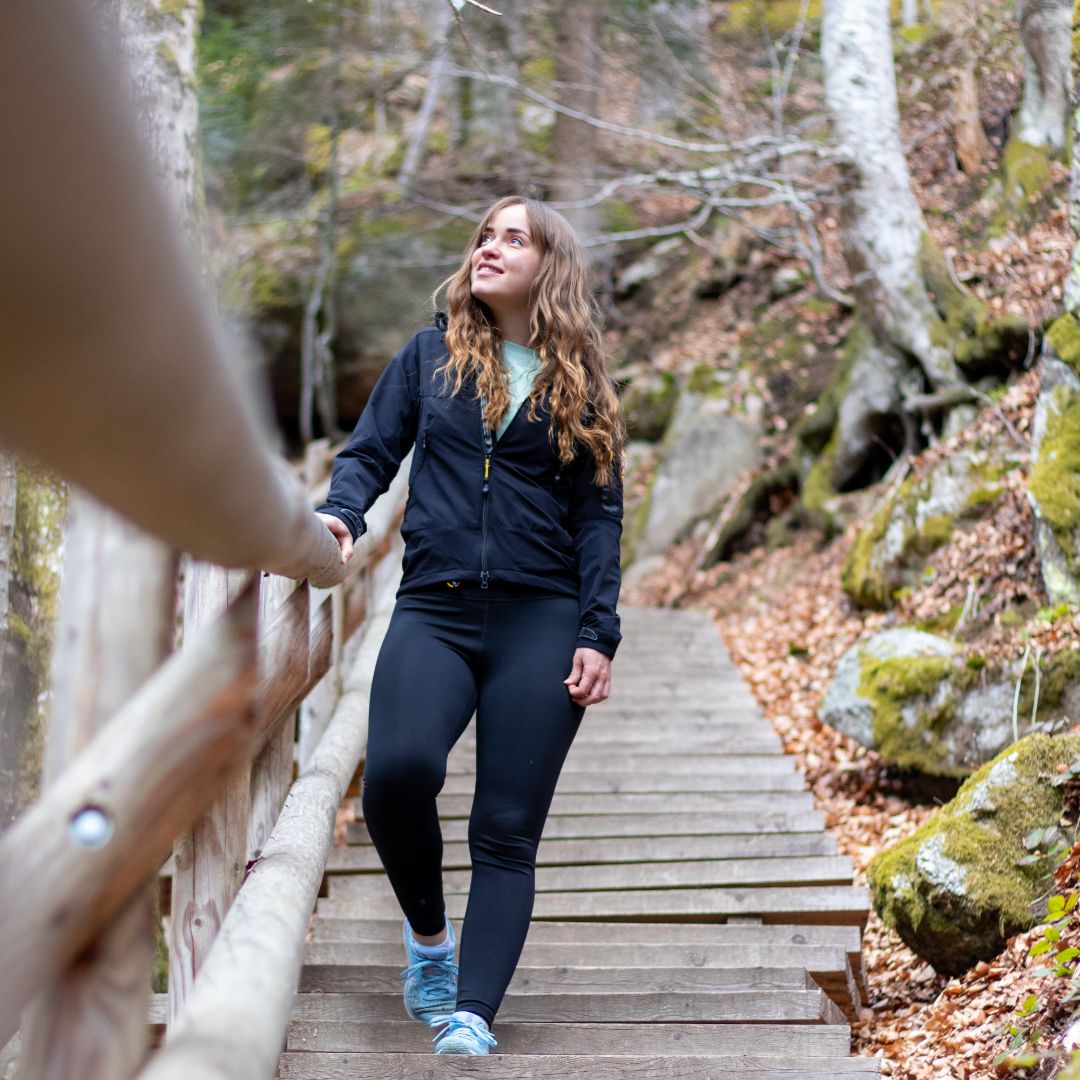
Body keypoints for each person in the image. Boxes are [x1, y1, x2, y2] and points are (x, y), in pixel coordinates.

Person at [314, 195, 624, 1055]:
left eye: (513, 238)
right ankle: (427, 939)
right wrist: (342, 514)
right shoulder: (428, 358)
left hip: (543, 616)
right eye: (485, 235)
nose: (489, 247)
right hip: (435, 607)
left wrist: (598, 631)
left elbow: (599, 516)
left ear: (548, 266)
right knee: (396, 777)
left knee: (505, 829)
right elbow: (373, 450)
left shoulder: (581, 385)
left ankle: (472, 1015)